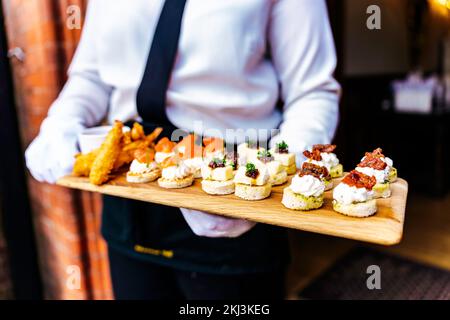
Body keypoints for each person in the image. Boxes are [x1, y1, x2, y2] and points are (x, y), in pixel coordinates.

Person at [25, 0, 340, 299]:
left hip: (237, 192)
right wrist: (61, 121)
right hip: (130, 195)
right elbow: (93, 76)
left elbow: (312, 92)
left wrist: (276, 177)